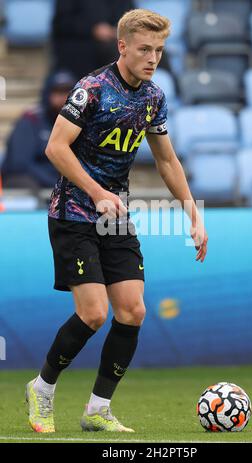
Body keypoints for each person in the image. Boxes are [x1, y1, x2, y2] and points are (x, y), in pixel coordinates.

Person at [25, 9, 208, 434]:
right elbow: (56, 148)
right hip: (73, 212)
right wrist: (98, 193)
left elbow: (166, 159)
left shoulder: (153, 97)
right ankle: (42, 388)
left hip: (116, 215)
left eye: (159, 51)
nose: (152, 58)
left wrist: (194, 216)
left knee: (132, 311)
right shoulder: (92, 89)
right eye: (144, 49)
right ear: (122, 46)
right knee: (93, 314)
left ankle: (98, 409)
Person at [51, 0, 172, 81]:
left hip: (116, 38)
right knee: (120, 52)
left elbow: (134, 16)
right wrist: (93, 29)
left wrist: (121, 30)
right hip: (83, 43)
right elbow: (61, 23)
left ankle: (172, 91)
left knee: (155, 48)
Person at [1, 71, 76, 189]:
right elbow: (19, 163)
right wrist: (54, 183)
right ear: (48, 94)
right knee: (24, 182)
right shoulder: (32, 119)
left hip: (61, 181)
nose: (63, 97)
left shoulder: (79, 122)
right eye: (58, 92)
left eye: (68, 92)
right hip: (31, 181)